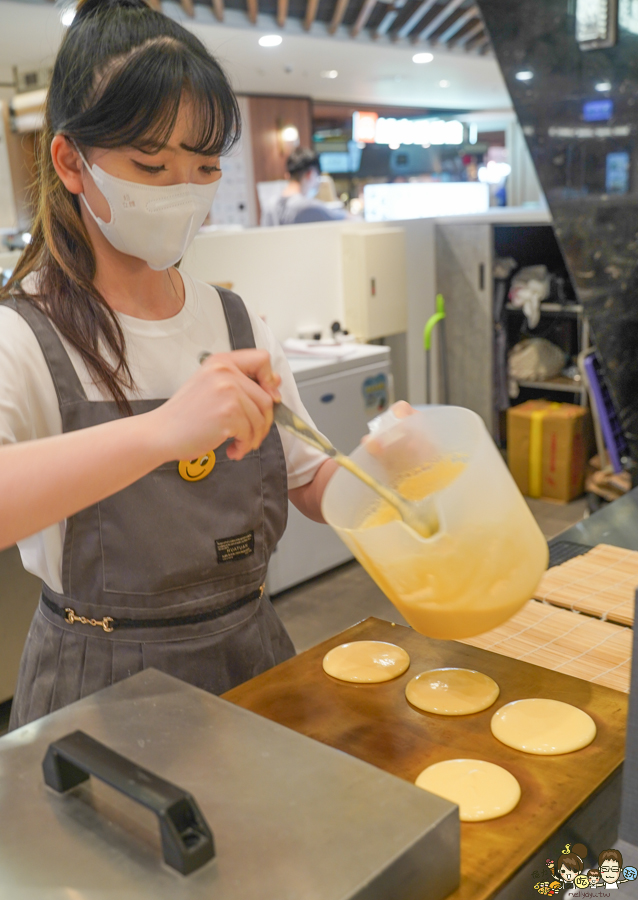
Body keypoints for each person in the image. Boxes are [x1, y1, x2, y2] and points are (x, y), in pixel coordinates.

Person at [0, 0, 340, 730]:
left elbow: (309, 477)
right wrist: (161, 431)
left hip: (253, 662)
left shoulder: (235, 320)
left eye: (205, 166)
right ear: (71, 162)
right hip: (99, 691)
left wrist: (392, 482)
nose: (183, 192)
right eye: (151, 165)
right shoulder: (22, 335)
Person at [261, 147, 347, 226]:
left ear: (287, 175)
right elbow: (347, 220)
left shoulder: (269, 207)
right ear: (310, 174)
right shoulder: (309, 207)